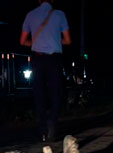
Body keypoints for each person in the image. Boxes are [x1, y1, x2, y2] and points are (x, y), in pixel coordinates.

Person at [20, 0, 71, 142]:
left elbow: (23, 41)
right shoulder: (60, 15)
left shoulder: (30, 15)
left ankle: (42, 131)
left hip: (37, 59)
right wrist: (54, 39)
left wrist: (36, 42)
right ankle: (52, 123)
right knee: (56, 93)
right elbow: (68, 40)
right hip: (54, 59)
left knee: (39, 94)